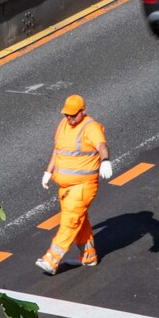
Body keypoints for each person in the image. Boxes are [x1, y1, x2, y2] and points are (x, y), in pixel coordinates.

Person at [36, 94, 112, 274]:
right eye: (66, 115)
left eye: (73, 115)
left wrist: (106, 160)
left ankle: (51, 259)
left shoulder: (90, 128)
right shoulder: (63, 125)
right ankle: (89, 256)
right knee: (80, 221)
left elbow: (101, 146)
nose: (69, 118)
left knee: (70, 221)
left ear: (83, 111)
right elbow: (58, 149)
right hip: (65, 188)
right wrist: (48, 172)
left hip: (83, 187)